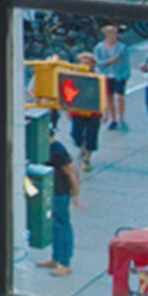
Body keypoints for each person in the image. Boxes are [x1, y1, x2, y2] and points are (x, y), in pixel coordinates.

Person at [39, 134, 79, 276]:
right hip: (51, 192)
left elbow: (70, 171)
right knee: (54, 226)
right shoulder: (44, 148)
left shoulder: (57, 149)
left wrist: (75, 193)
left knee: (62, 225)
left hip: (60, 192)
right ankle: (56, 258)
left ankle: (65, 262)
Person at [69, 50, 105, 170]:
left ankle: (87, 159)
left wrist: (106, 111)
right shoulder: (75, 77)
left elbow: (104, 95)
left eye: (88, 62)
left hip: (93, 112)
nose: (85, 65)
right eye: (82, 62)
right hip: (78, 111)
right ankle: (81, 148)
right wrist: (68, 109)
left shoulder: (98, 78)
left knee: (91, 136)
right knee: (76, 134)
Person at [94, 23, 132, 131]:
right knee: (109, 98)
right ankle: (113, 119)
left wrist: (125, 75)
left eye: (114, 34)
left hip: (119, 75)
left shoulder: (122, 47)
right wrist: (108, 62)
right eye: (110, 34)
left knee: (120, 97)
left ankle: (121, 118)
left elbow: (126, 62)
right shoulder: (99, 48)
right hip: (106, 75)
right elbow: (98, 63)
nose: (113, 36)